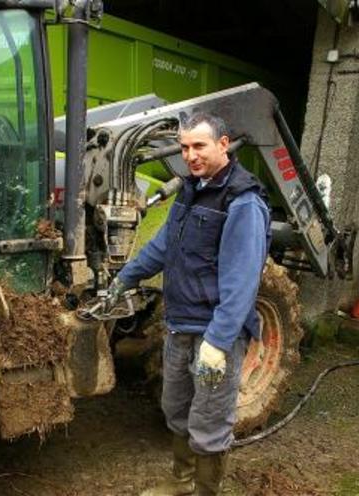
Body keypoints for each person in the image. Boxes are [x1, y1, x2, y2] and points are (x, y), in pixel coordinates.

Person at [106, 112, 272, 495]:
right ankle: (180, 483)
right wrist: (124, 278)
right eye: (184, 148)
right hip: (180, 324)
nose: (191, 155)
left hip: (216, 336)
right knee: (176, 409)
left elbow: (241, 281)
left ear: (223, 144)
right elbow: (164, 245)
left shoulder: (242, 201)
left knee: (209, 421)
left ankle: (204, 492)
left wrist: (218, 342)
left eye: (199, 145)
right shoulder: (191, 188)